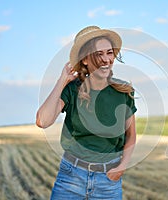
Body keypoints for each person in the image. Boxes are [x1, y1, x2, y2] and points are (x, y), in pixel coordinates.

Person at [36, 25, 137, 199]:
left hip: (108, 181)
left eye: (109, 52)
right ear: (85, 59)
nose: (106, 59)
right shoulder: (72, 90)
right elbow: (42, 121)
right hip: (71, 177)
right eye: (99, 54)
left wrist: (122, 166)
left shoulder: (124, 92)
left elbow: (131, 136)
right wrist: (62, 81)